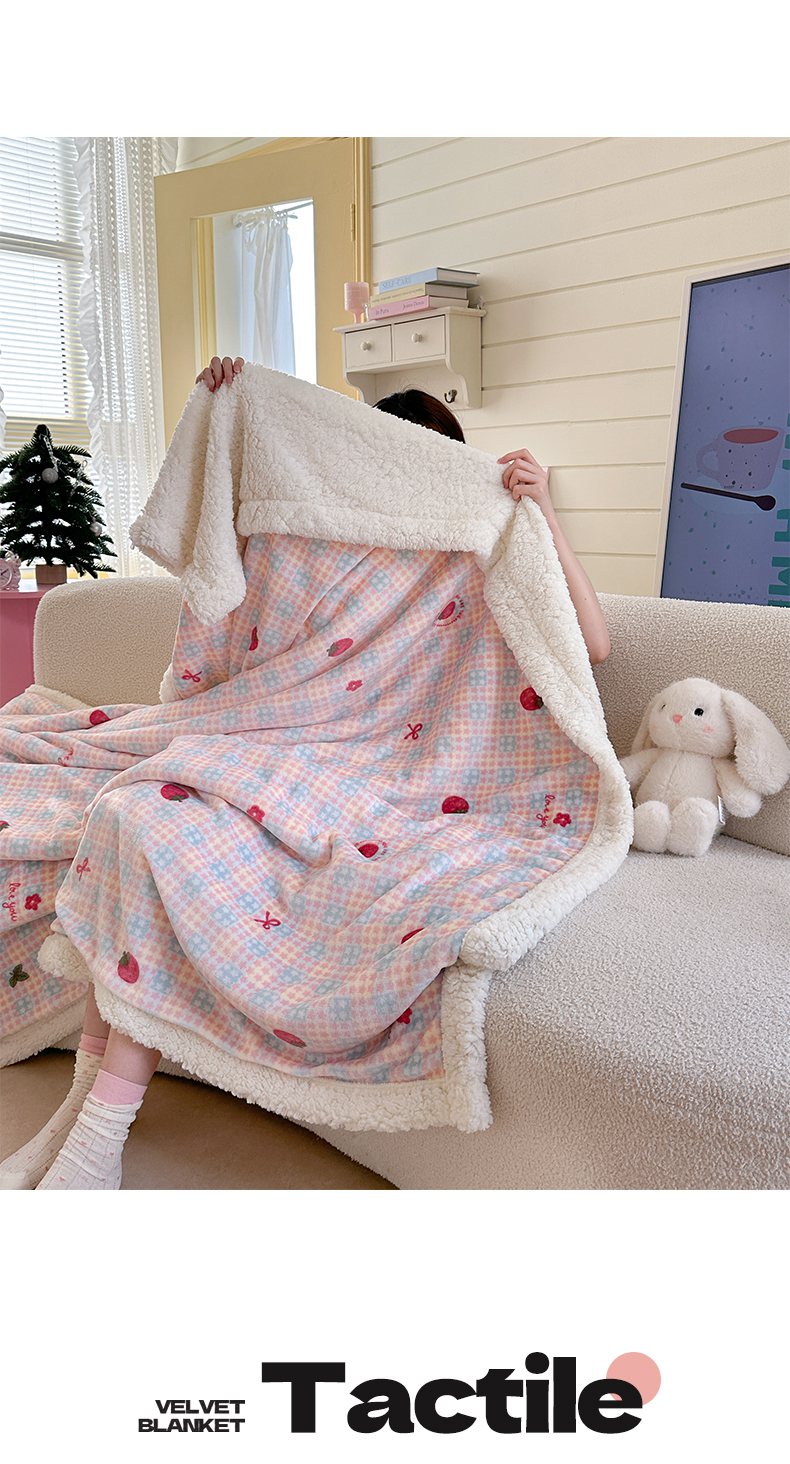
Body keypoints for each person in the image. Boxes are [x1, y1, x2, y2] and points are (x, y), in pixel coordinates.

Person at [0, 352, 608, 1191]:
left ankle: (96, 1137)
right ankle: (88, 1122)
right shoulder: (316, 541)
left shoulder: (481, 535)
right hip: (274, 744)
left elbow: (592, 645)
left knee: (150, 824)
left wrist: (542, 516)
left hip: (389, 779)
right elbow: (225, 585)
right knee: (133, 814)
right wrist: (236, 412)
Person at [197, 358, 611, 666]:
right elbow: (228, 575)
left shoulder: (476, 550)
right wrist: (223, 409)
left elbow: (594, 647)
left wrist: (545, 515)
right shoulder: (329, 549)